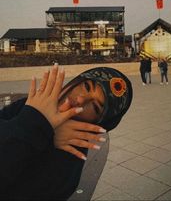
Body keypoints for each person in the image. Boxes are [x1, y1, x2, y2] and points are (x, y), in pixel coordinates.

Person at [0, 64, 133, 200]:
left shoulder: (68, 165)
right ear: (76, 81)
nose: (81, 99)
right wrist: (45, 129)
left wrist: (38, 128)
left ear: (98, 122)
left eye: (95, 107)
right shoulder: (33, 104)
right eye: (86, 86)